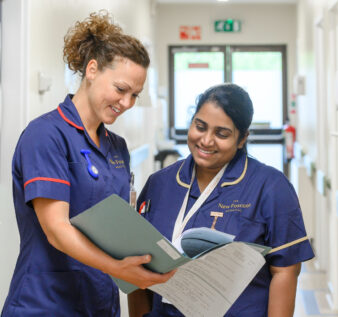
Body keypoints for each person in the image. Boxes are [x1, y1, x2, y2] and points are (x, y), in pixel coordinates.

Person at [1, 11, 174, 317]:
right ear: (92, 69)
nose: (127, 103)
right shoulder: (46, 135)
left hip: (99, 301)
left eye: (135, 95)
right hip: (45, 303)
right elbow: (56, 230)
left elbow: (118, 226)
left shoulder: (116, 147)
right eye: (121, 90)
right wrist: (119, 268)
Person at [130, 83, 314, 317]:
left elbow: (285, 271)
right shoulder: (159, 184)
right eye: (200, 126)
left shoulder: (270, 187)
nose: (206, 141)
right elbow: (136, 265)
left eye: (222, 133)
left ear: (242, 139)